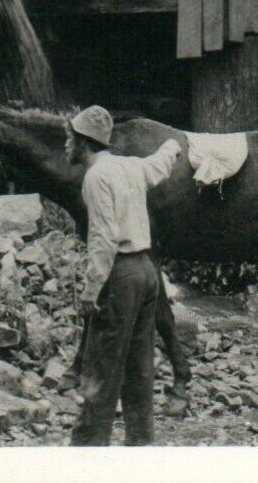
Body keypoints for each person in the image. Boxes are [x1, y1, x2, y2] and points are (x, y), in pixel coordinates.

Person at [66, 105, 181, 446]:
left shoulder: (96, 177)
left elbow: (103, 238)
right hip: (147, 272)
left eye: (69, 139)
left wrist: (91, 290)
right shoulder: (129, 166)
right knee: (139, 366)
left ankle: (88, 449)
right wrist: (173, 144)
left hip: (120, 274)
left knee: (101, 365)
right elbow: (159, 166)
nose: (66, 146)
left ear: (83, 142)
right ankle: (139, 444)